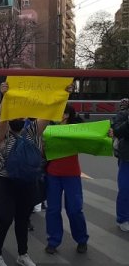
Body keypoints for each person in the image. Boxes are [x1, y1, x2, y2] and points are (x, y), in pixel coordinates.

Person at [0, 81, 72, 266]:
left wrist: (63, 94)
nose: (17, 117)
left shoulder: (33, 131)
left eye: (21, 114)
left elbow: (49, 111)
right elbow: (3, 117)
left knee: (22, 219)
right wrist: (5, 98)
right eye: (13, 114)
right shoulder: (2, 134)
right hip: (5, 182)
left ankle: (23, 254)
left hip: (27, 183)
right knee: (4, 218)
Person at [44, 104, 89, 254]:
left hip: (72, 174)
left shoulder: (76, 128)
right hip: (53, 174)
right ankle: (53, 241)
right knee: (53, 209)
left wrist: (108, 134)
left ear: (68, 114)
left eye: (64, 112)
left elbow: (93, 137)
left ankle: (82, 239)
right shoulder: (48, 127)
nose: (61, 114)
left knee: (75, 209)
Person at [111, 98, 129, 231]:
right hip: (127, 157)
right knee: (125, 189)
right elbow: (116, 131)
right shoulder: (123, 115)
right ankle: (122, 218)